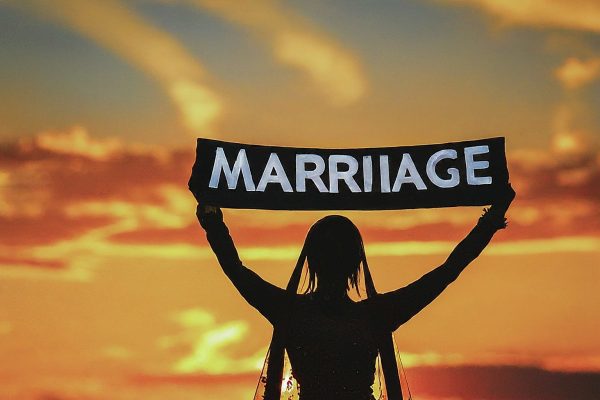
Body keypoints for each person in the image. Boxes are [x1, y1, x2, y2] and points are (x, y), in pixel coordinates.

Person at [196, 184, 515, 400]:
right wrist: (491, 218)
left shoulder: (291, 311)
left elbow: (235, 269)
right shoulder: (376, 315)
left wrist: (212, 217)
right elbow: (447, 271)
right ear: (356, 265)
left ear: (311, 262)